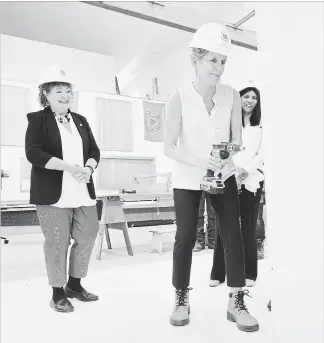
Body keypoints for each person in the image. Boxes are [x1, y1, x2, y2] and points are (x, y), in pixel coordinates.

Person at [164, 23, 259, 332]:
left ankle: (236, 299)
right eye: (212, 60)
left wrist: (232, 161)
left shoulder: (231, 95)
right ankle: (181, 296)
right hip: (187, 179)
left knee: (232, 232)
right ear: (196, 59)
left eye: (223, 61)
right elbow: (168, 146)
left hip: (222, 176)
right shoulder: (178, 98)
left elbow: (236, 140)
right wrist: (197, 161)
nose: (219, 67)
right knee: (186, 236)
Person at [25, 65, 100, 313]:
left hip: (82, 191)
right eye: (59, 90)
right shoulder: (37, 119)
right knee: (57, 242)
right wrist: (70, 167)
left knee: (88, 234)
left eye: (68, 90)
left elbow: (94, 151)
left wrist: (88, 169)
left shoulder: (81, 120)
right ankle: (57, 293)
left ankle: (74, 286)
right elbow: (34, 153)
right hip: (52, 193)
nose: (65, 95)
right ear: (45, 93)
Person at [209, 86, 264, 288]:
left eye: (254, 98)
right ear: (238, 99)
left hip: (251, 181)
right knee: (225, 226)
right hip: (228, 177)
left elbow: (261, 154)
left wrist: (245, 171)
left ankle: (249, 273)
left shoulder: (261, 127)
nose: (250, 100)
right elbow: (221, 149)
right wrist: (232, 171)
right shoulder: (229, 124)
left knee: (248, 228)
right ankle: (218, 272)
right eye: (246, 96)